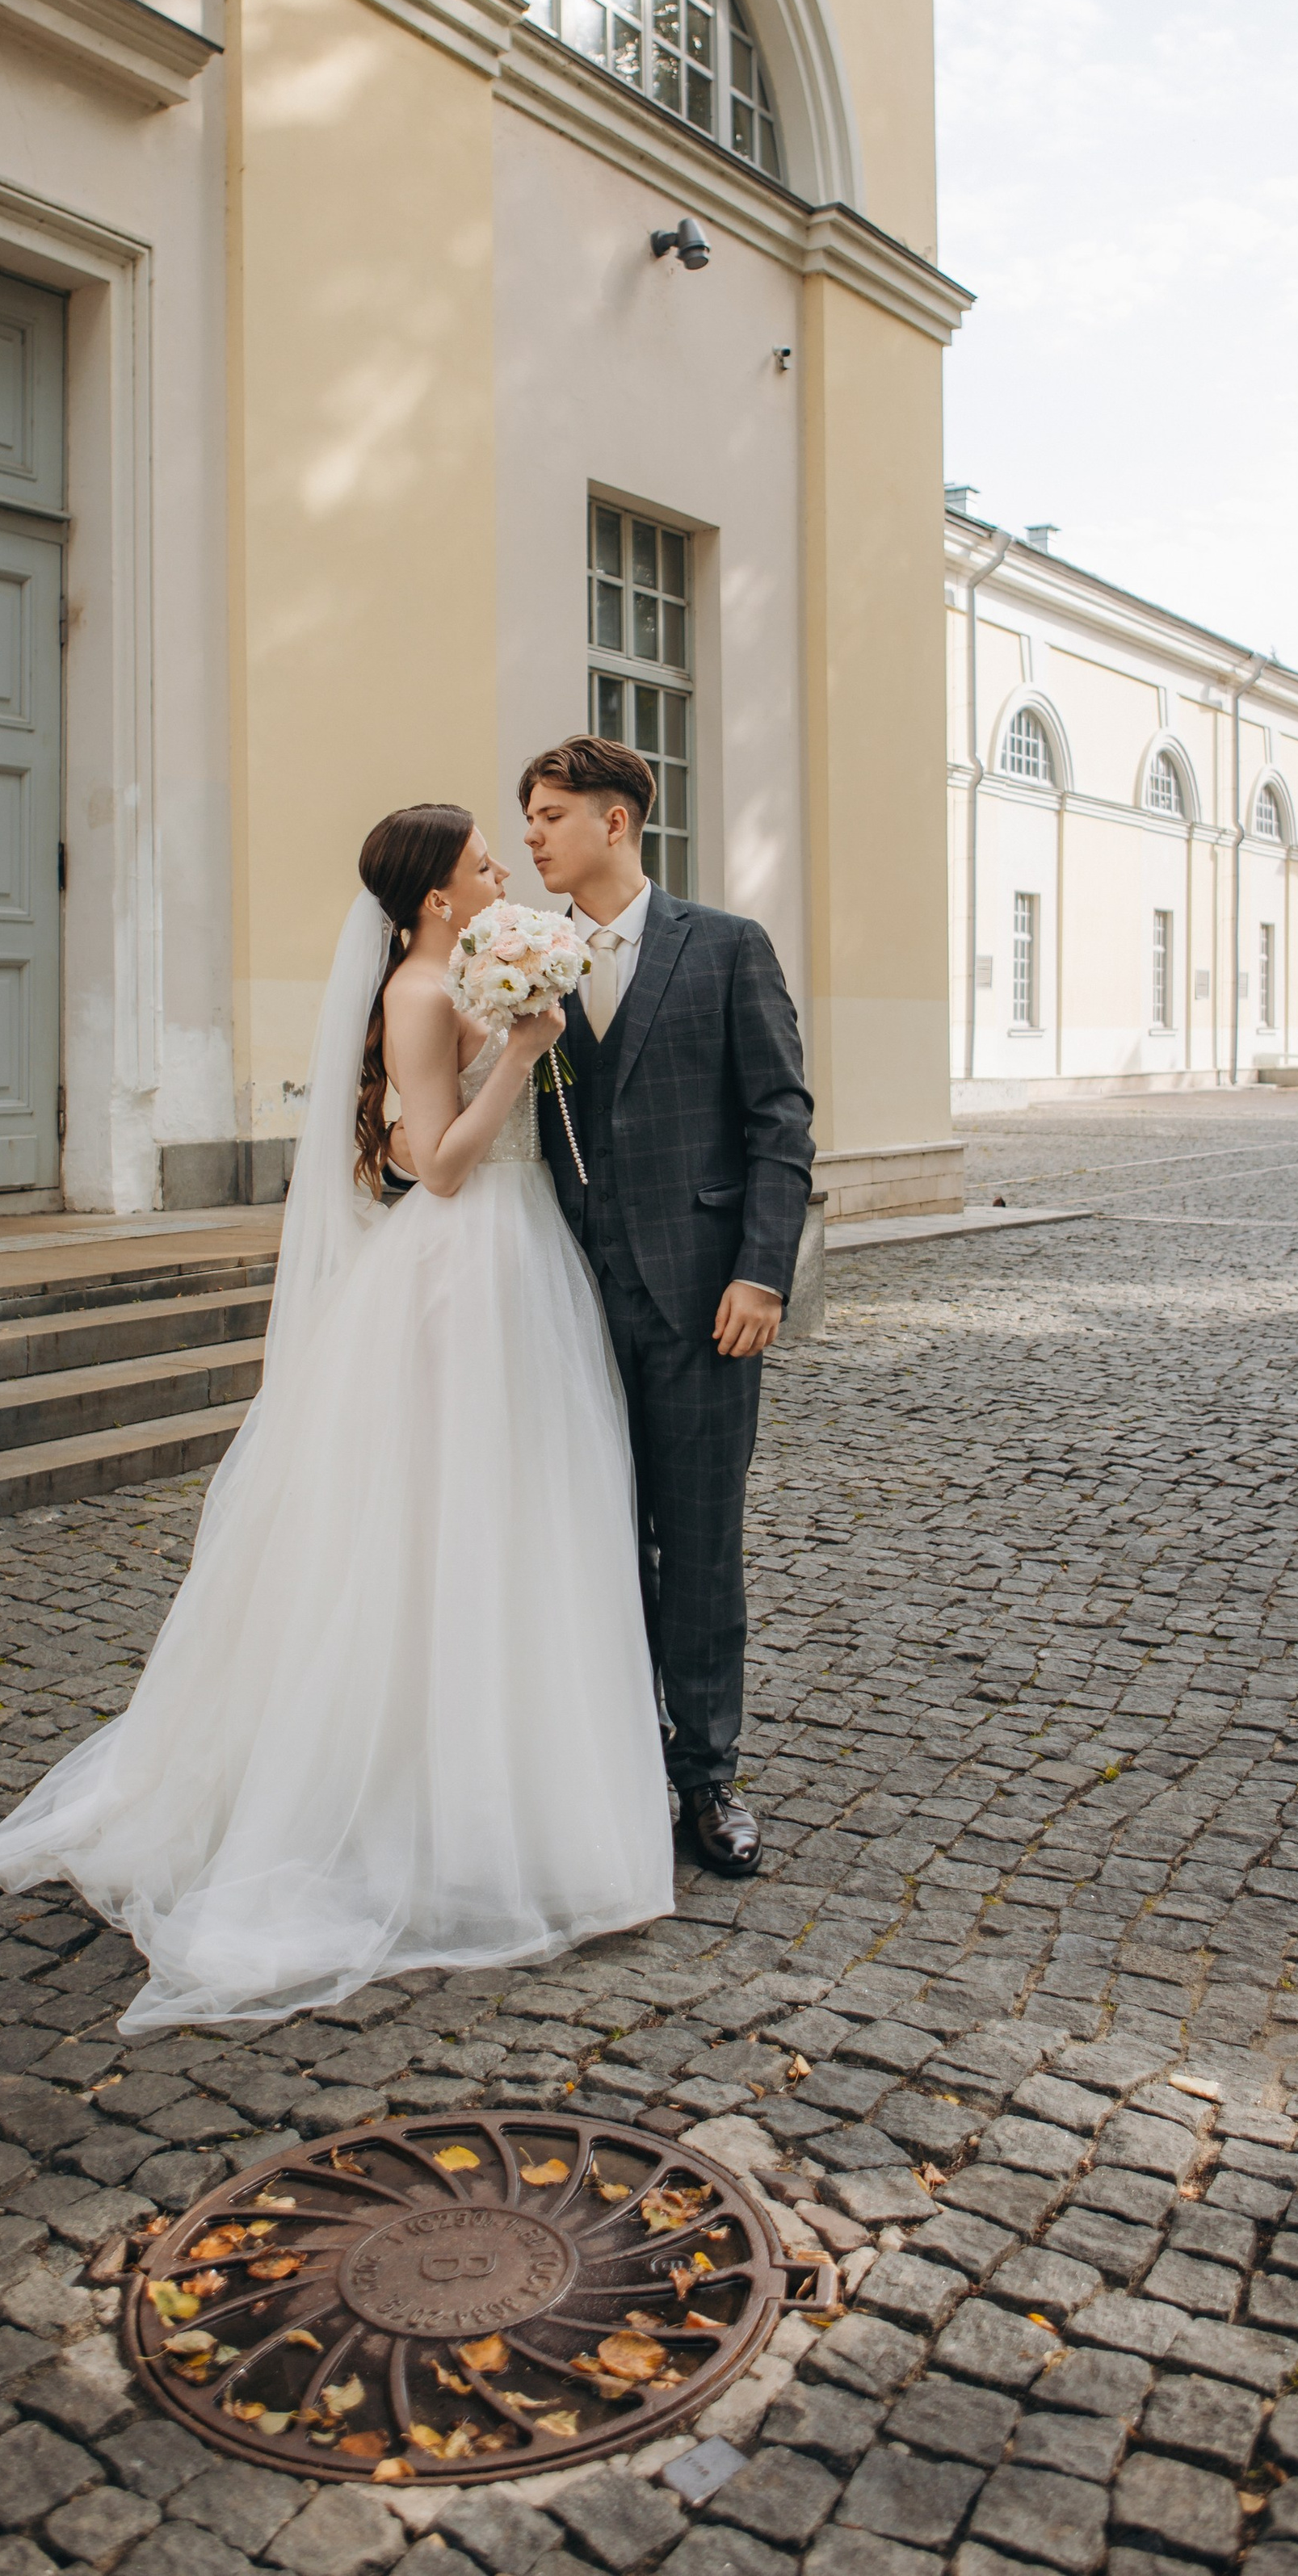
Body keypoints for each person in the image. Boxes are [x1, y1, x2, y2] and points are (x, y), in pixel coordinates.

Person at [0, 805, 674, 2033]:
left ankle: (506, 1793)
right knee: (442, 1526)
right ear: (433, 898)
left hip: (524, 1264)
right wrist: (522, 1053)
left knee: (513, 1522)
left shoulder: (459, 965)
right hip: (466, 1264)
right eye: (478, 862)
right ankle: (413, 1804)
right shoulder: (423, 992)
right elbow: (438, 1163)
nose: (496, 872)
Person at [521, 736, 815, 1880]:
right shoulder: (528, 959)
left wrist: (762, 1270)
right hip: (566, 1305)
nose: (534, 835)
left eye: (551, 814)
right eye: (529, 816)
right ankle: (607, 1764)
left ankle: (707, 1779)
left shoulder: (726, 948)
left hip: (703, 1305)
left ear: (618, 822)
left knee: (697, 1551)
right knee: (590, 1547)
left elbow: (780, 1122)